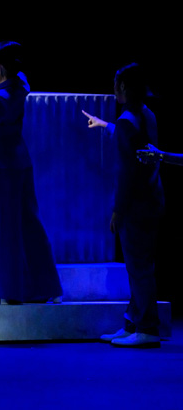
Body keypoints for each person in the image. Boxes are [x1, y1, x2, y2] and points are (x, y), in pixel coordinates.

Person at [0, 11, 62, 305]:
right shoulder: (21, 84)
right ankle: (46, 288)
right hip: (19, 163)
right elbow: (5, 67)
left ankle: (2, 291)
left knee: (0, 230)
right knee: (28, 224)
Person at [82, 64, 164, 348]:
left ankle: (147, 328)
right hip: (150, 200)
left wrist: (117, 210)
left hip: (136, 206)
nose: (113, 89)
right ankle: (133, 322)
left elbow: (126, 173)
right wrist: (104, 125)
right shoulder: (146, 114)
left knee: (139, 268)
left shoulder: (129, 121)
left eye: (116, 83)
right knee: (139, 266)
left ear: (125, 87)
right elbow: (132, 139)